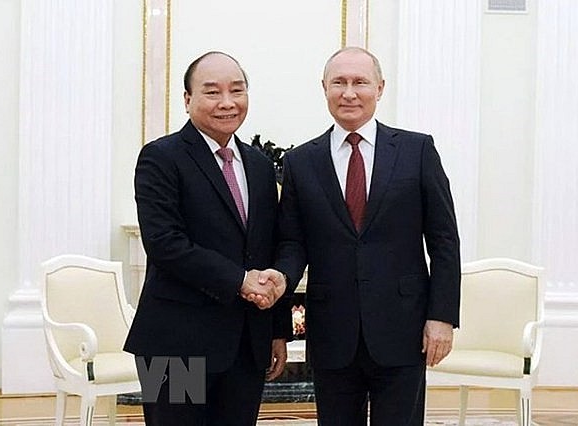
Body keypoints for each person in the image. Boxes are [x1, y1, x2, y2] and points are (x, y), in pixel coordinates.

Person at [270, 47, 461, 425]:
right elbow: (292, 243)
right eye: (338, 82)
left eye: (360, 82)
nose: (349, 92)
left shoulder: (417, 150)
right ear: (324, 88)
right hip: (331, 331)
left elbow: (444, 240)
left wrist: (442, 316)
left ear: (380, 87)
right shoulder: (300, 162)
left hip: (403, 328)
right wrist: (280, 280)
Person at [124, 51, 290, 426]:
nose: (227, 102)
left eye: (237, 90)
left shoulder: (261, 166)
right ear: (187, 99)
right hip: (175, 345)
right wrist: (239, 280)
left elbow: (267, 247)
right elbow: (165, 243)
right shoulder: (161, 157)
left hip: (246, 344)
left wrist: (277, 331)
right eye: (212, 92)